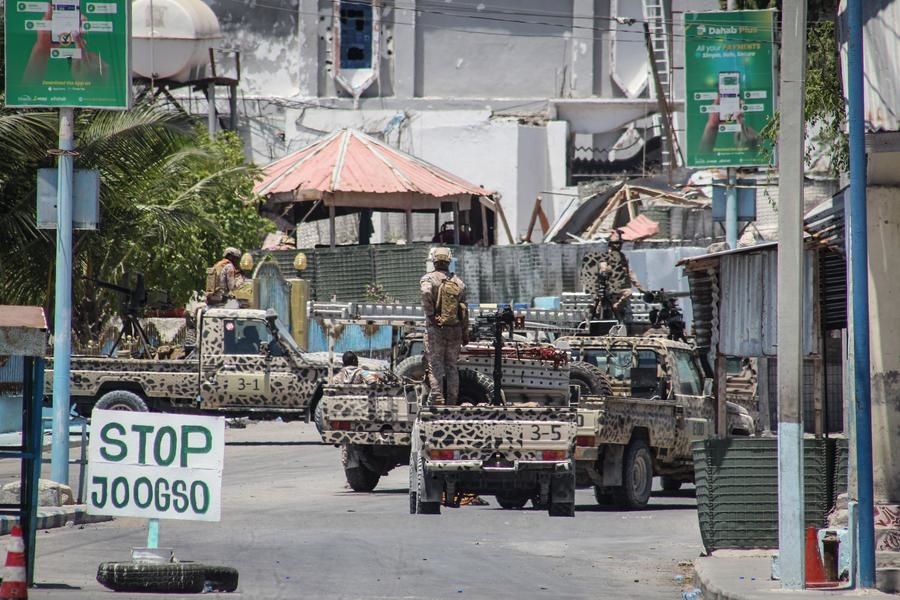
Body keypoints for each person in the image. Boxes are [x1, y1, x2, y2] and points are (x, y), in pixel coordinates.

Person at [420, 247, 468, 405]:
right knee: (451, 366)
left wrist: (431, 315)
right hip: (455, 330)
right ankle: (452, 400)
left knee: (435, 365)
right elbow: (464, 310)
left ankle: (438, 397)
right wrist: (465, 333)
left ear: (434, 260)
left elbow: (426, 293)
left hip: (436, 330)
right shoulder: (459, 283)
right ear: (449, 261)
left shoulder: (428, 279)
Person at [579, 229, 643, 325]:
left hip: (618, 288)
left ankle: (618, 316)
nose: (618, 245)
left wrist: (639, 287)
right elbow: (602, 269)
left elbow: (629, 272)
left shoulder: (622, 257)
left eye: (620, 243)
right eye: (616, 243)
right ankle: (589, 319)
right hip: (606, 287)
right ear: (610, 244)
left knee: (625, 299)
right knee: (597, 307)